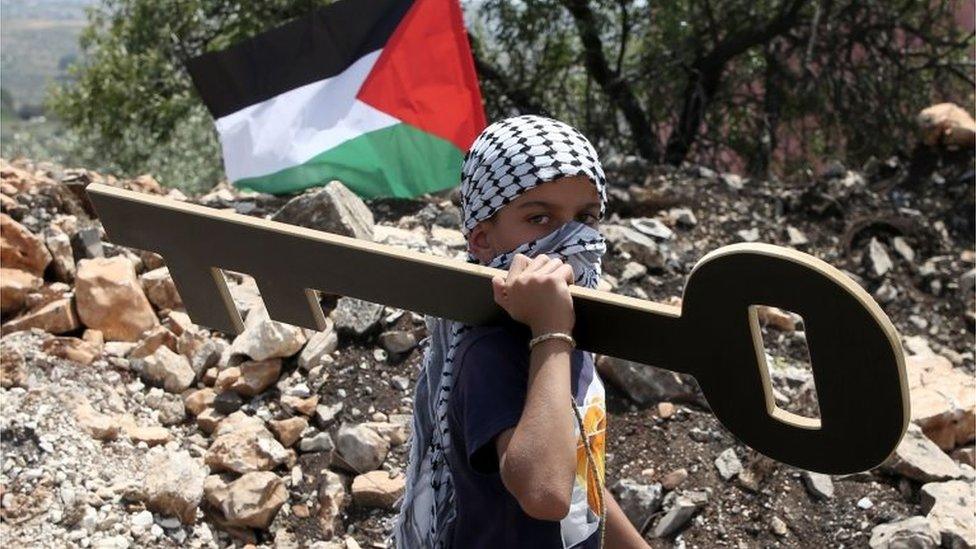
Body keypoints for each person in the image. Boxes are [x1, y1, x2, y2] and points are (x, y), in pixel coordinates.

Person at [392, 115, 650, 548]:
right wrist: (550, 330)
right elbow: (546, 493)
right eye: (540, 219)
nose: (570, 238)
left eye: (586, 217)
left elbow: (577, 478)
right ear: (481, 240)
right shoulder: (496, 349)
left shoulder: (561, 330)